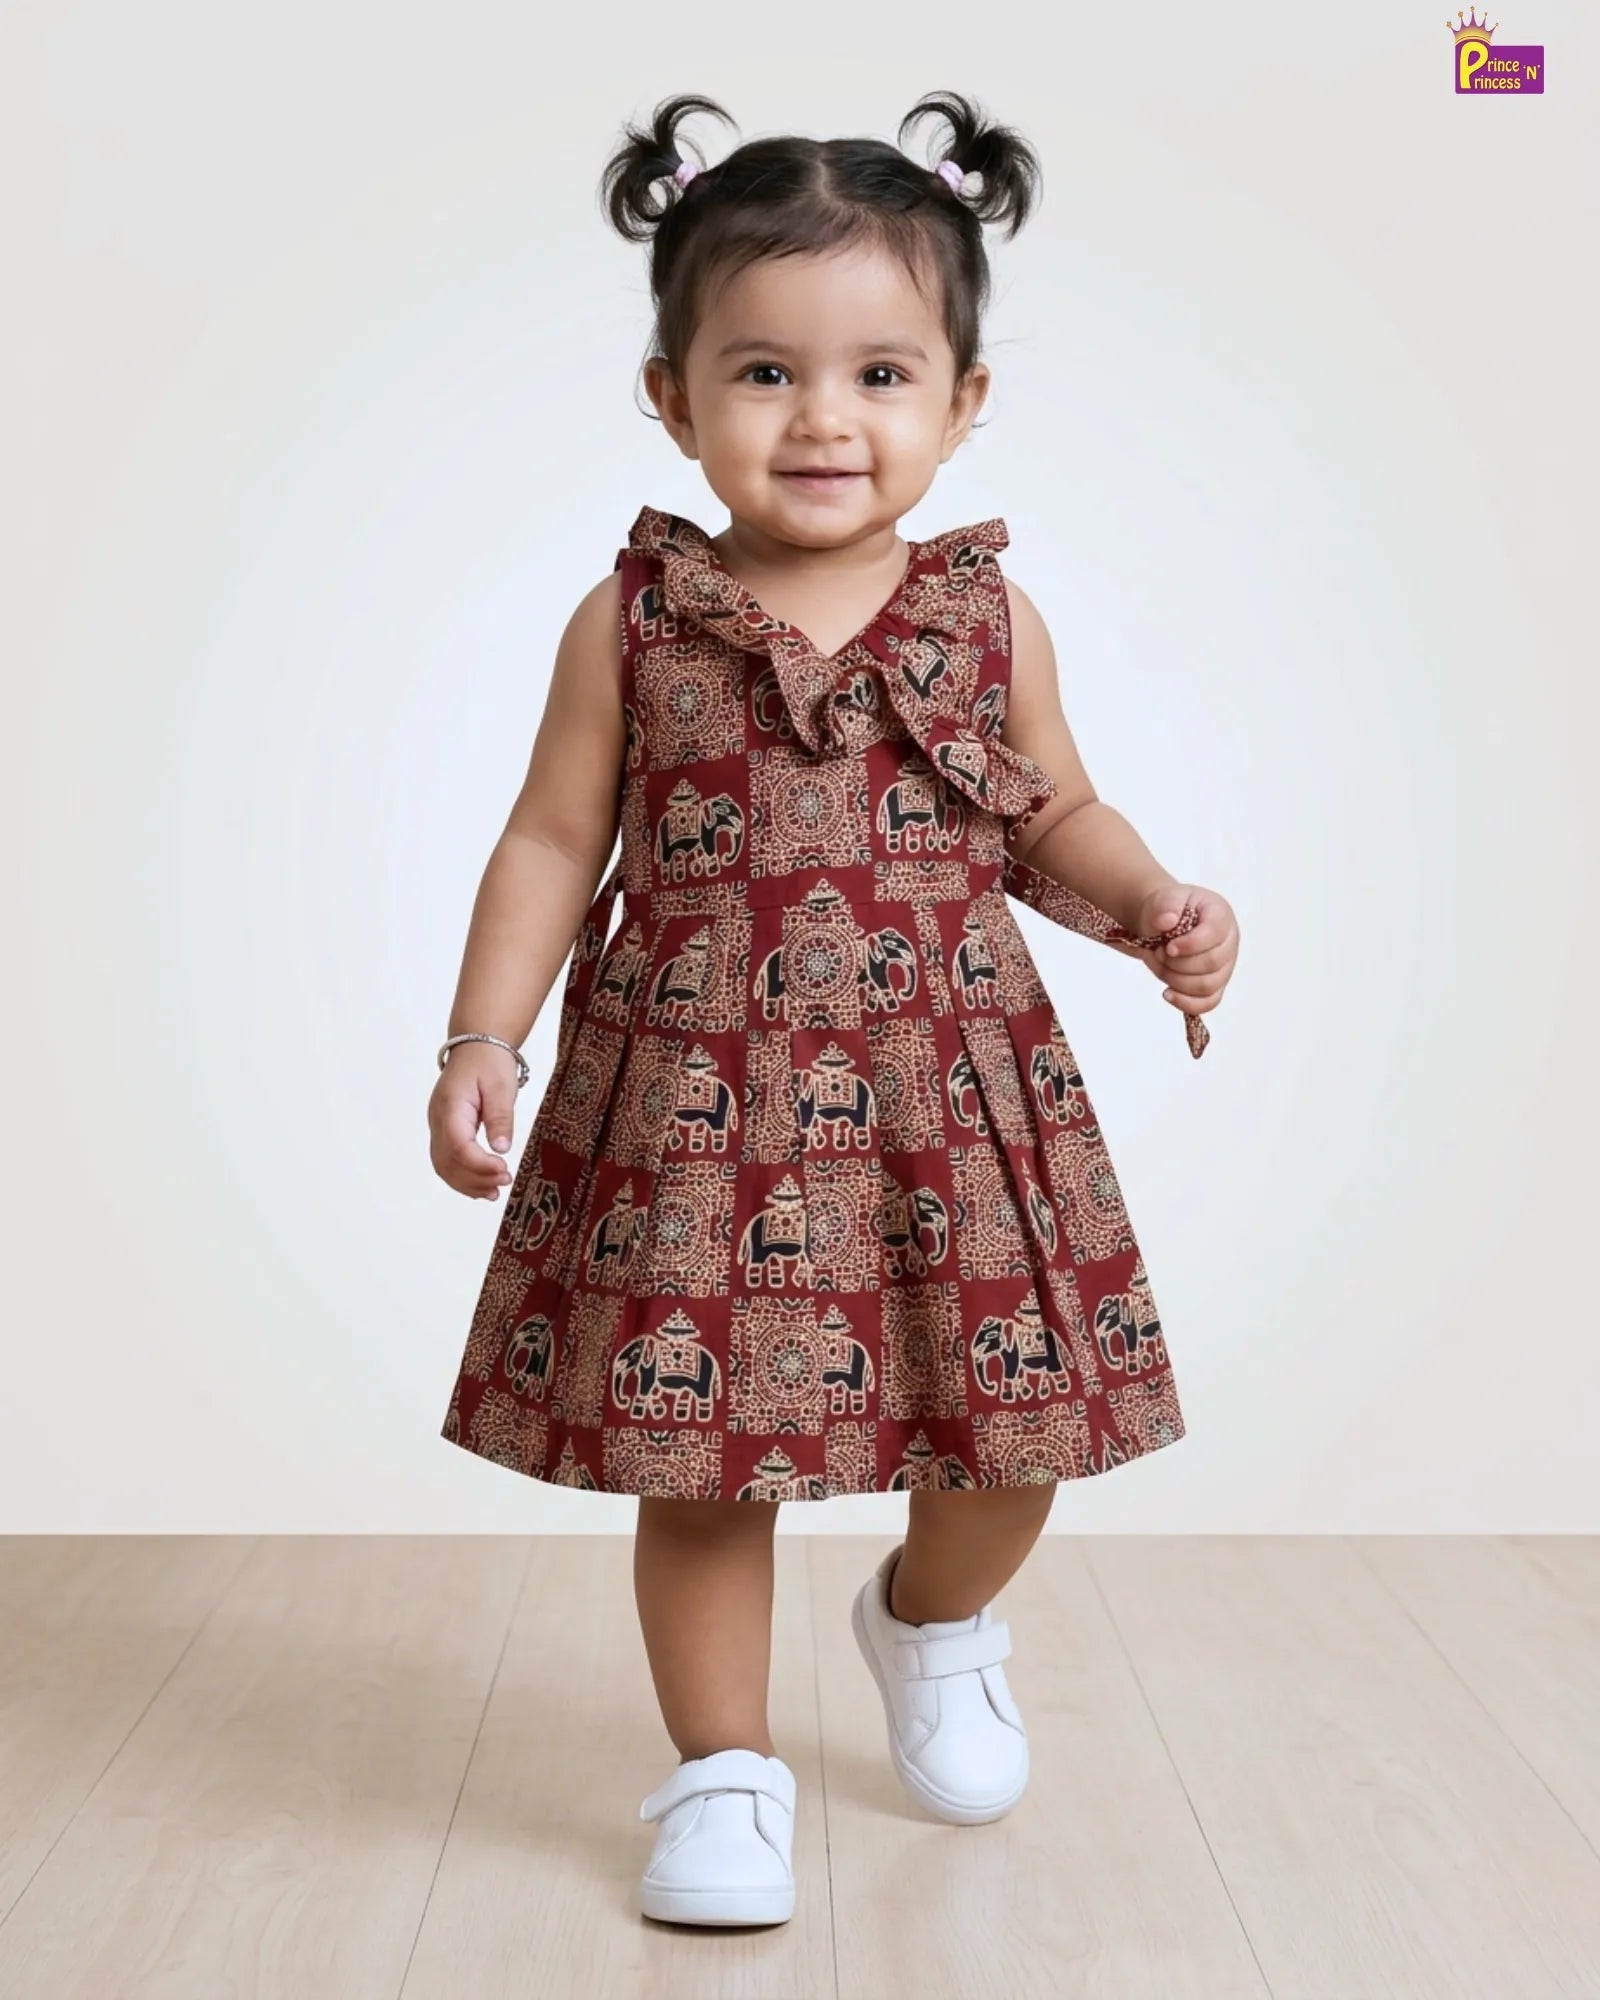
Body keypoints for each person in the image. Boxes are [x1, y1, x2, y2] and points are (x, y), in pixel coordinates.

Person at [428, 88, 1240, 1929]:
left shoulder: (986, 618)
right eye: (766, 371)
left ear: (961, 404)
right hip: (696, 1101)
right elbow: (557, 841)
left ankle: (931, 1623)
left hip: (950, 1097)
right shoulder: (630, 622)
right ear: (672, 394)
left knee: (1015, 1431)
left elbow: (1052, 812)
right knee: (703, 1463)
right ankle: (722, 1774)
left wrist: (1157, 904)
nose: (823, 419)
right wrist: (482, 1035)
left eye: (882, 374)